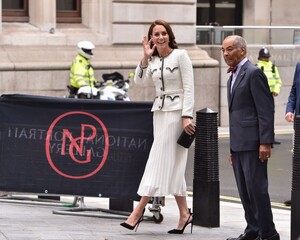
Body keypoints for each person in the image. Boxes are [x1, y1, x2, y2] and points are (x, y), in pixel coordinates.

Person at [120, 19, 196, 234]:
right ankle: (184, 214)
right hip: (159, 114)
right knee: (173, 166)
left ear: (169, 35)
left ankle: (137, 212)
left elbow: (189, 87)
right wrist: (145, 57)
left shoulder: (181, 56)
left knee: (157, 160)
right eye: (156, 34)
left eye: (164, 33)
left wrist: (187, 116)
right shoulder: (151, 60)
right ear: (151, 38)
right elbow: (139, 81)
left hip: (177, 114)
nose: (160, 37)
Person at [222, 35, 280, 240]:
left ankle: (269, 234)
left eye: (230, 49)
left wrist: (265, 142)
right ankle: (253, 230)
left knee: (257, 191)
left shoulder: (254, 73)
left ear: (243, 51)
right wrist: (232, 148)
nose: (225, 54)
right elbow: (236, 115)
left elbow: (265, 110)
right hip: (239, 145)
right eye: (223, 50)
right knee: (245, 192)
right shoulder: (232, 77)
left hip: (254, 144)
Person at [256, 47, 282, 144]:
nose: (266, 59)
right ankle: (262, 138)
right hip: (260, 96)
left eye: (267, 57)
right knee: (262, 117)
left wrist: (276, 90)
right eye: (264, 57)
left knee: (270, 116)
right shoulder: (257, 67)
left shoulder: (273, 67)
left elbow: (278, 80)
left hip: (270, 95)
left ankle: (271, 138)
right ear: (260, 57)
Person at [284, 62, 300, 207]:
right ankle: (297, 195)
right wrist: (289, 109)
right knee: (297, 160)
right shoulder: (299, 65)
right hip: (298, 123)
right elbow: (294, 91)